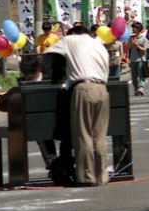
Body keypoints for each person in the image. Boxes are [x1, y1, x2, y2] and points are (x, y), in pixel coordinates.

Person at [44, 24, 110, 187]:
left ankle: (87, 177)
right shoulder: (98, 44)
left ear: (73, 33)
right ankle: (101, 176)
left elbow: (47, 55)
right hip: (103, 90)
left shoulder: (70, 39)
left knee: (84, 135)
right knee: (99, 136)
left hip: (84, 88)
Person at [126, 21, 149, 96]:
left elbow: (145, 49)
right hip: (133, 60)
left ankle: (141, 88)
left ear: (138, 29)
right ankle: (136, 89)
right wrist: (131, 44)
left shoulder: (143, 39)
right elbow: (127, 47)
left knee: (141, 75)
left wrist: (137, 45)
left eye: (134, 28)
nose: (133, 29)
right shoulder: (131, 38)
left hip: (141, 60)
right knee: (134, 76)